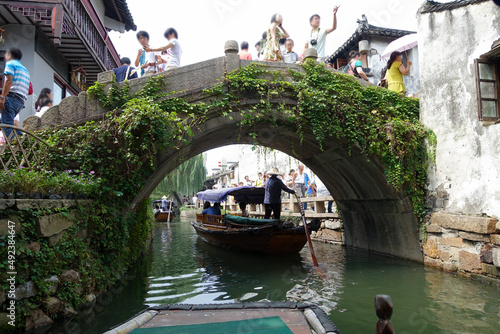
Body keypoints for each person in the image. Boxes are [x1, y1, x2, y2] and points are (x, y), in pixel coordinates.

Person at [0, 48, 30, 139]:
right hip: (20, 102)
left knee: (6, 125)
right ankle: (23, 141)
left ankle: (14, 147)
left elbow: (9, 81)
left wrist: (2, 97)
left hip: (11, 97)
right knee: (8, 122)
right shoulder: (25, 70)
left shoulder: (10, 64)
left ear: (10, 55)